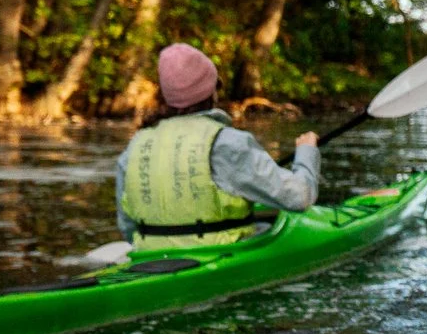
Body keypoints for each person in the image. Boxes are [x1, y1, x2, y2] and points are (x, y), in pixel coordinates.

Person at [114, 44, 321, 251]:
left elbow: (127, 227)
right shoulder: (228, 143)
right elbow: (300, 197)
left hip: (148, 256)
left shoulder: (136, 145)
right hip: (216, 253)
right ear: (212, 92)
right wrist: (306, 153)